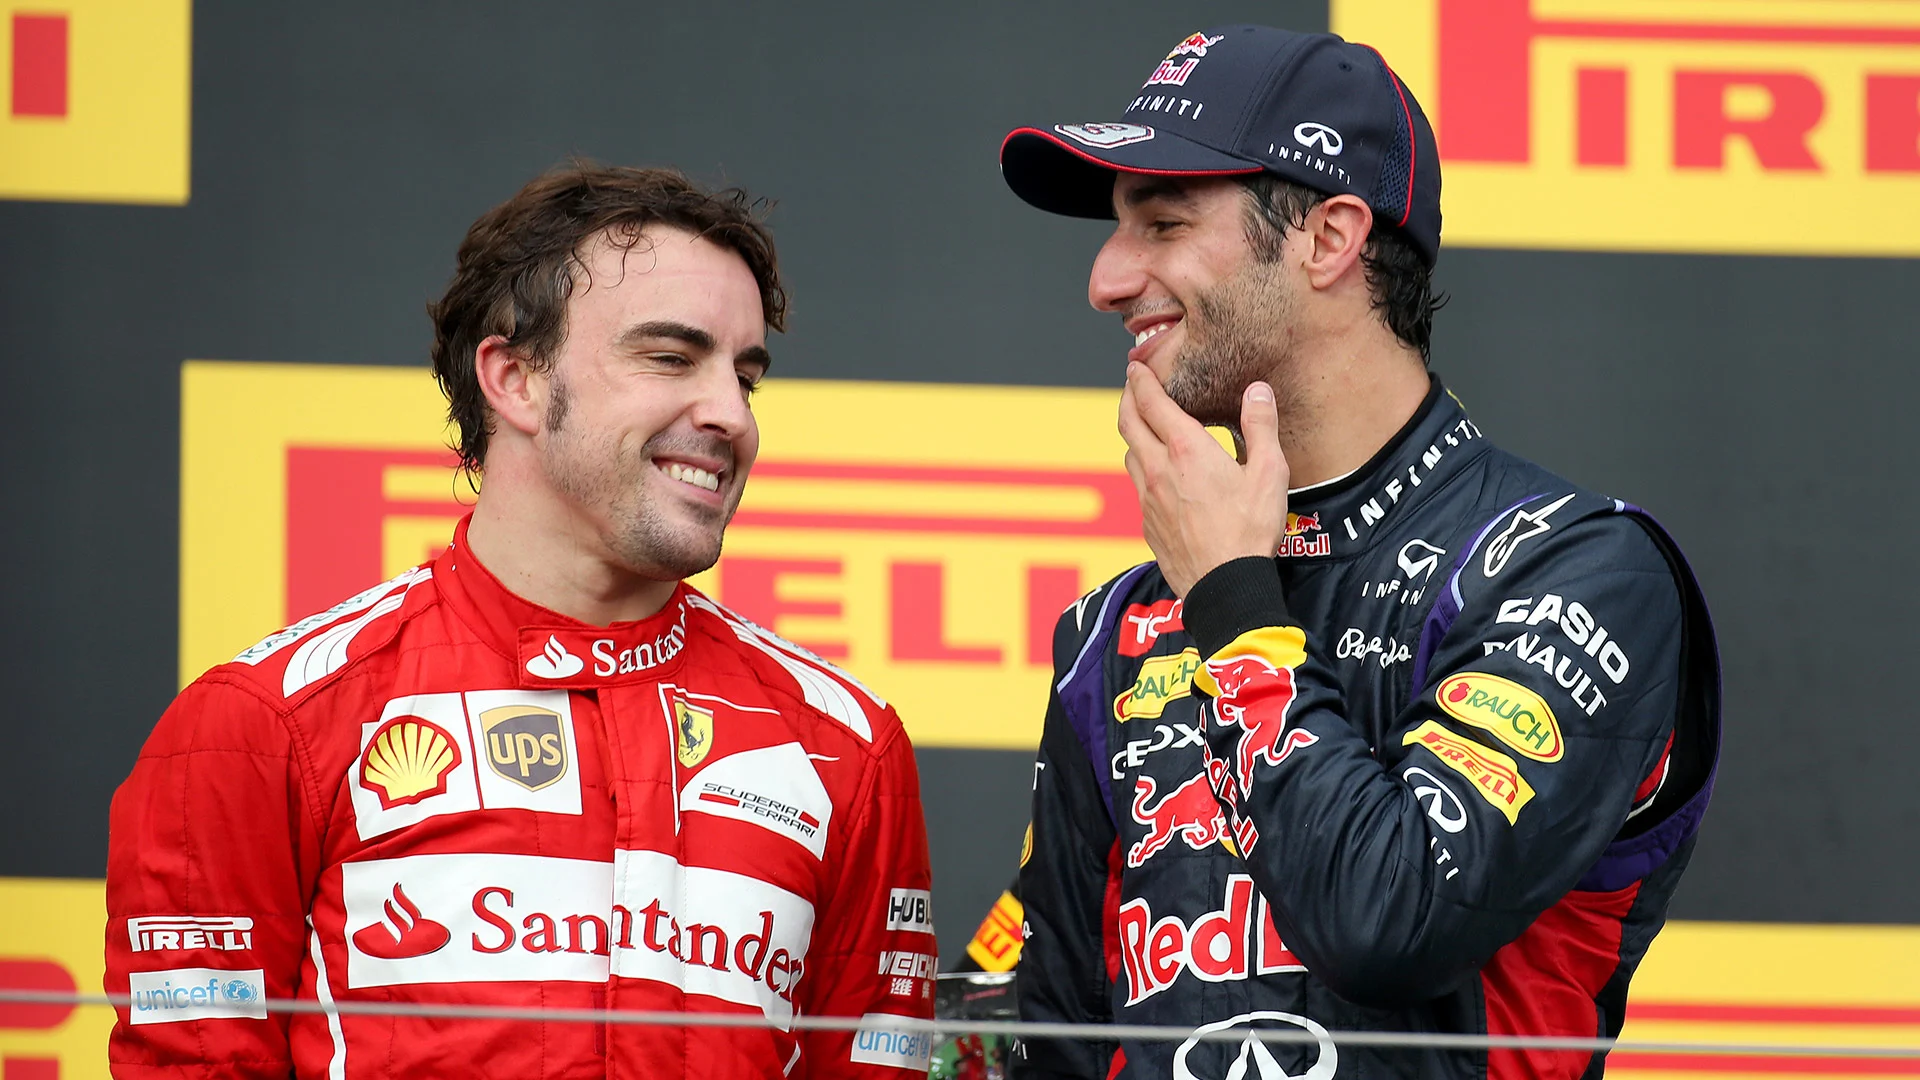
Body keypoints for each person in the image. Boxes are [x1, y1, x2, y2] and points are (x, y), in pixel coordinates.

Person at [104, 164, 937, 1079]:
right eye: (670, 357)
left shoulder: (846, 746)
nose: (731, 416)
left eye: (747, 377)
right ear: (514, 380)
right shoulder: (262, 726)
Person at [998, 26, 1720, 1080]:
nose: (1109, 279)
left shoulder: (1576, 573)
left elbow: (1390, 920)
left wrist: (1235, 608)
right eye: (1118, 231)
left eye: (1161, 223)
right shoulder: (1115, 628)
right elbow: (1053, 1037)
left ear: (1330, 238)